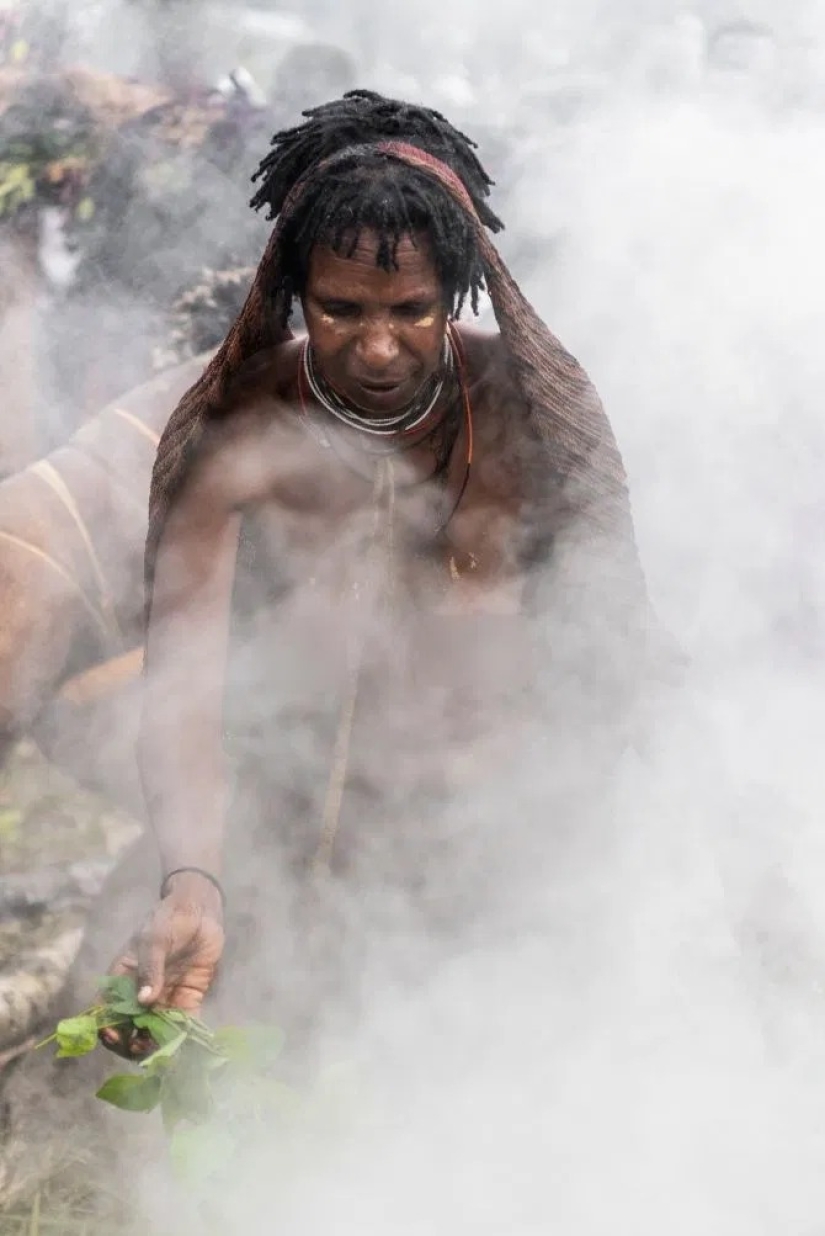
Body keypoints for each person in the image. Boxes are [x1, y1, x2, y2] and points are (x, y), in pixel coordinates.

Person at [101, 89, 653, 1057]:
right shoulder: (239, 428)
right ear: (294, 293)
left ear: (458, 293)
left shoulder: (533, 412)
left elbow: (611, 637)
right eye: (341, 310)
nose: (379, 347)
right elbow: (182, 688)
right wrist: (192, 880)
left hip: (513, 850)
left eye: (412, 310)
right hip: (305, 853)